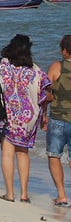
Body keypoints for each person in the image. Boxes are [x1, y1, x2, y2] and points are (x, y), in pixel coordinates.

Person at [0, 34, 51, 203]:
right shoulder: (36, 70)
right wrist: (45, 115)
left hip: (5, 115)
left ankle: (10, 193)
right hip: (28, 118)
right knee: (23, 153)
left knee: (7, 152)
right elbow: (47, 94)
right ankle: (25, 194)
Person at [45, 35, 71, 207]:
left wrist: (43, 116)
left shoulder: (57, 66)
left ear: (64, 50)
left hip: (58, 119)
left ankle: (62, 195)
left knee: (54, 156)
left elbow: (45, 94)